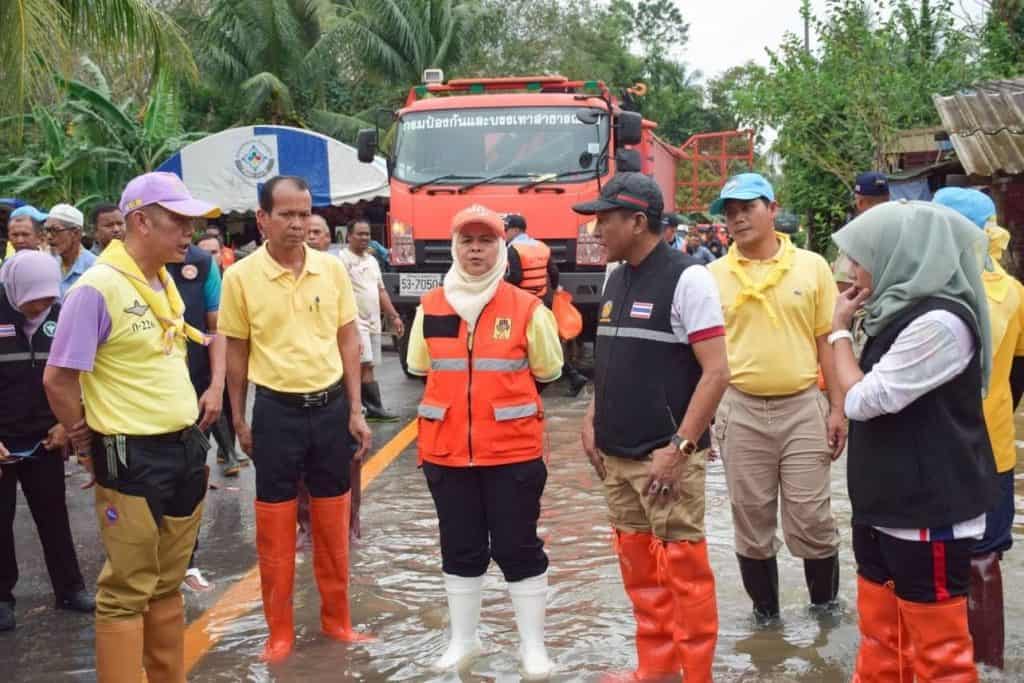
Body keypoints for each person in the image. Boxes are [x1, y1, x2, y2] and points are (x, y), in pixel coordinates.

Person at [43, 172, 220, 682]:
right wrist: (82, 439)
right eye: (178, 221)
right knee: (126, 591)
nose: (188, 232)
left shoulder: (162, 281)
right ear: (140, 221)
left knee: (166, 583)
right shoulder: (97, 289)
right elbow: (58, 380)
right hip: (131, 454)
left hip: (184, 450)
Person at [831, 200, 996, 681]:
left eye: (862, 256)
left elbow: (863, 399)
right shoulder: (892, 311)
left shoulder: (941, 322)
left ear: (901, 254)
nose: (853, 270)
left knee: (938, 652)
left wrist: (838, 333)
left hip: (928, 511)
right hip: (884, 504)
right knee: (882, 638)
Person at [573, 173, 728, 682]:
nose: (595, 229)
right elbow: (613, 360)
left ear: (638, 222)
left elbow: (717, 372)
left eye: (604, 219)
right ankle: (655, 671)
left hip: (665, 461)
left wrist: (680, 449)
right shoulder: (616, 278)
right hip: (616, 460)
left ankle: (696, 675)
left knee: (684, 575)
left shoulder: (689, 278)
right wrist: (593, 417)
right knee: (640, 576)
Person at [219, 175, 373, 663]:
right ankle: (278, 633)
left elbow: (348, 338)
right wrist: (240, 419)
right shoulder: (239, 277)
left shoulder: (330, 270)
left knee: (333, 523)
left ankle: (338, 621)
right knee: (276, 528)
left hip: (329, 410)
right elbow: (237, 351)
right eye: (286, 214)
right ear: (262, 218)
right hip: (276, 412)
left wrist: (355, 408)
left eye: (304, 213)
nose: (297, 223)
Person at [406, 204, 563, 678]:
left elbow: (549, 370)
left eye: (487, 241)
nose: (476, 249)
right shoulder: (431, 306)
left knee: (518, 548)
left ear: (502, 248)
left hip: (512, 453)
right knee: (460, 548)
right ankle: (463, 641)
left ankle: (533, 648)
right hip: (446, 453)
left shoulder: (527, 308)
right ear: (455, 247)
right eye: (467, 241)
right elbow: (419, 366)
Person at [707, 173, 844, 623]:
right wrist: (699, 423)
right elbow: (702, 356)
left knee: (812, 518)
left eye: (748, 207)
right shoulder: (711, 276)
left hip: (803, 405)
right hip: (739, 409)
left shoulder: (812, 266)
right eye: (730, 212)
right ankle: (766, 621)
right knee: (750, 520)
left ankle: (825, 612)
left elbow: (828, 343)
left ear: (772, 207)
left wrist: (839, 409)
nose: (738, 218)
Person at [934, 188, 1021, 669]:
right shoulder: (1012, 290)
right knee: (984, 555)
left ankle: (945, 661)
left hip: (942, 445)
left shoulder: (937, 294)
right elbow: (1018, 371)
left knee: (936, 555)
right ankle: (989, 666)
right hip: (994, 443)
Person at [0, 252, 94, 632]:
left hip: (46, 439)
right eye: (33, 299)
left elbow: (80, 373)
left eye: (46, 298)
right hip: (3, 443)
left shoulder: (61, 314)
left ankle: (70, 588)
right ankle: (2, 598)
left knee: (54, 515)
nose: (40, 306)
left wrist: (65, 424)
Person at [167, 241, 228, 593]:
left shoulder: (202, 264)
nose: (185, 233)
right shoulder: (118, 271)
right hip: (141, 402)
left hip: (194, 391)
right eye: (177, 223)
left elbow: (216, 328)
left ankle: (187, 563)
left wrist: (216, 386)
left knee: (190, 480)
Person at [505, 213, 588, 397]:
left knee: (521, 342)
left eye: (506, 229)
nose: (505, 233)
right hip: (541, 301)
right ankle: (573, 376)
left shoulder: (513, 249)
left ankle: (528, 385)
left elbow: (515, 277)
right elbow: (554, 272)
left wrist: (501, 286)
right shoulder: (540, 246)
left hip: (522, 303)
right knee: (546, 340)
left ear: (515, 230)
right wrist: (551, 291)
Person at [339, 219, 404, 422]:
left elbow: (381, 291)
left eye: (367, 234)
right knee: (359, 364)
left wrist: (394, 316)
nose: (365, 238)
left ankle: (370, 407)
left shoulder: (372, 261)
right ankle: (360, 408)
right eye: (360, 234)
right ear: (349, 236)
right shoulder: (341, 260)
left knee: (369, 365)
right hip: (355, 322)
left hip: (373, 321)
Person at [45, 203, 97, 299]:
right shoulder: (48, 265)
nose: (49, 237)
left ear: (76, 233)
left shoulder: (95, 268)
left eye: (55, 230)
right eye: (47, 230)